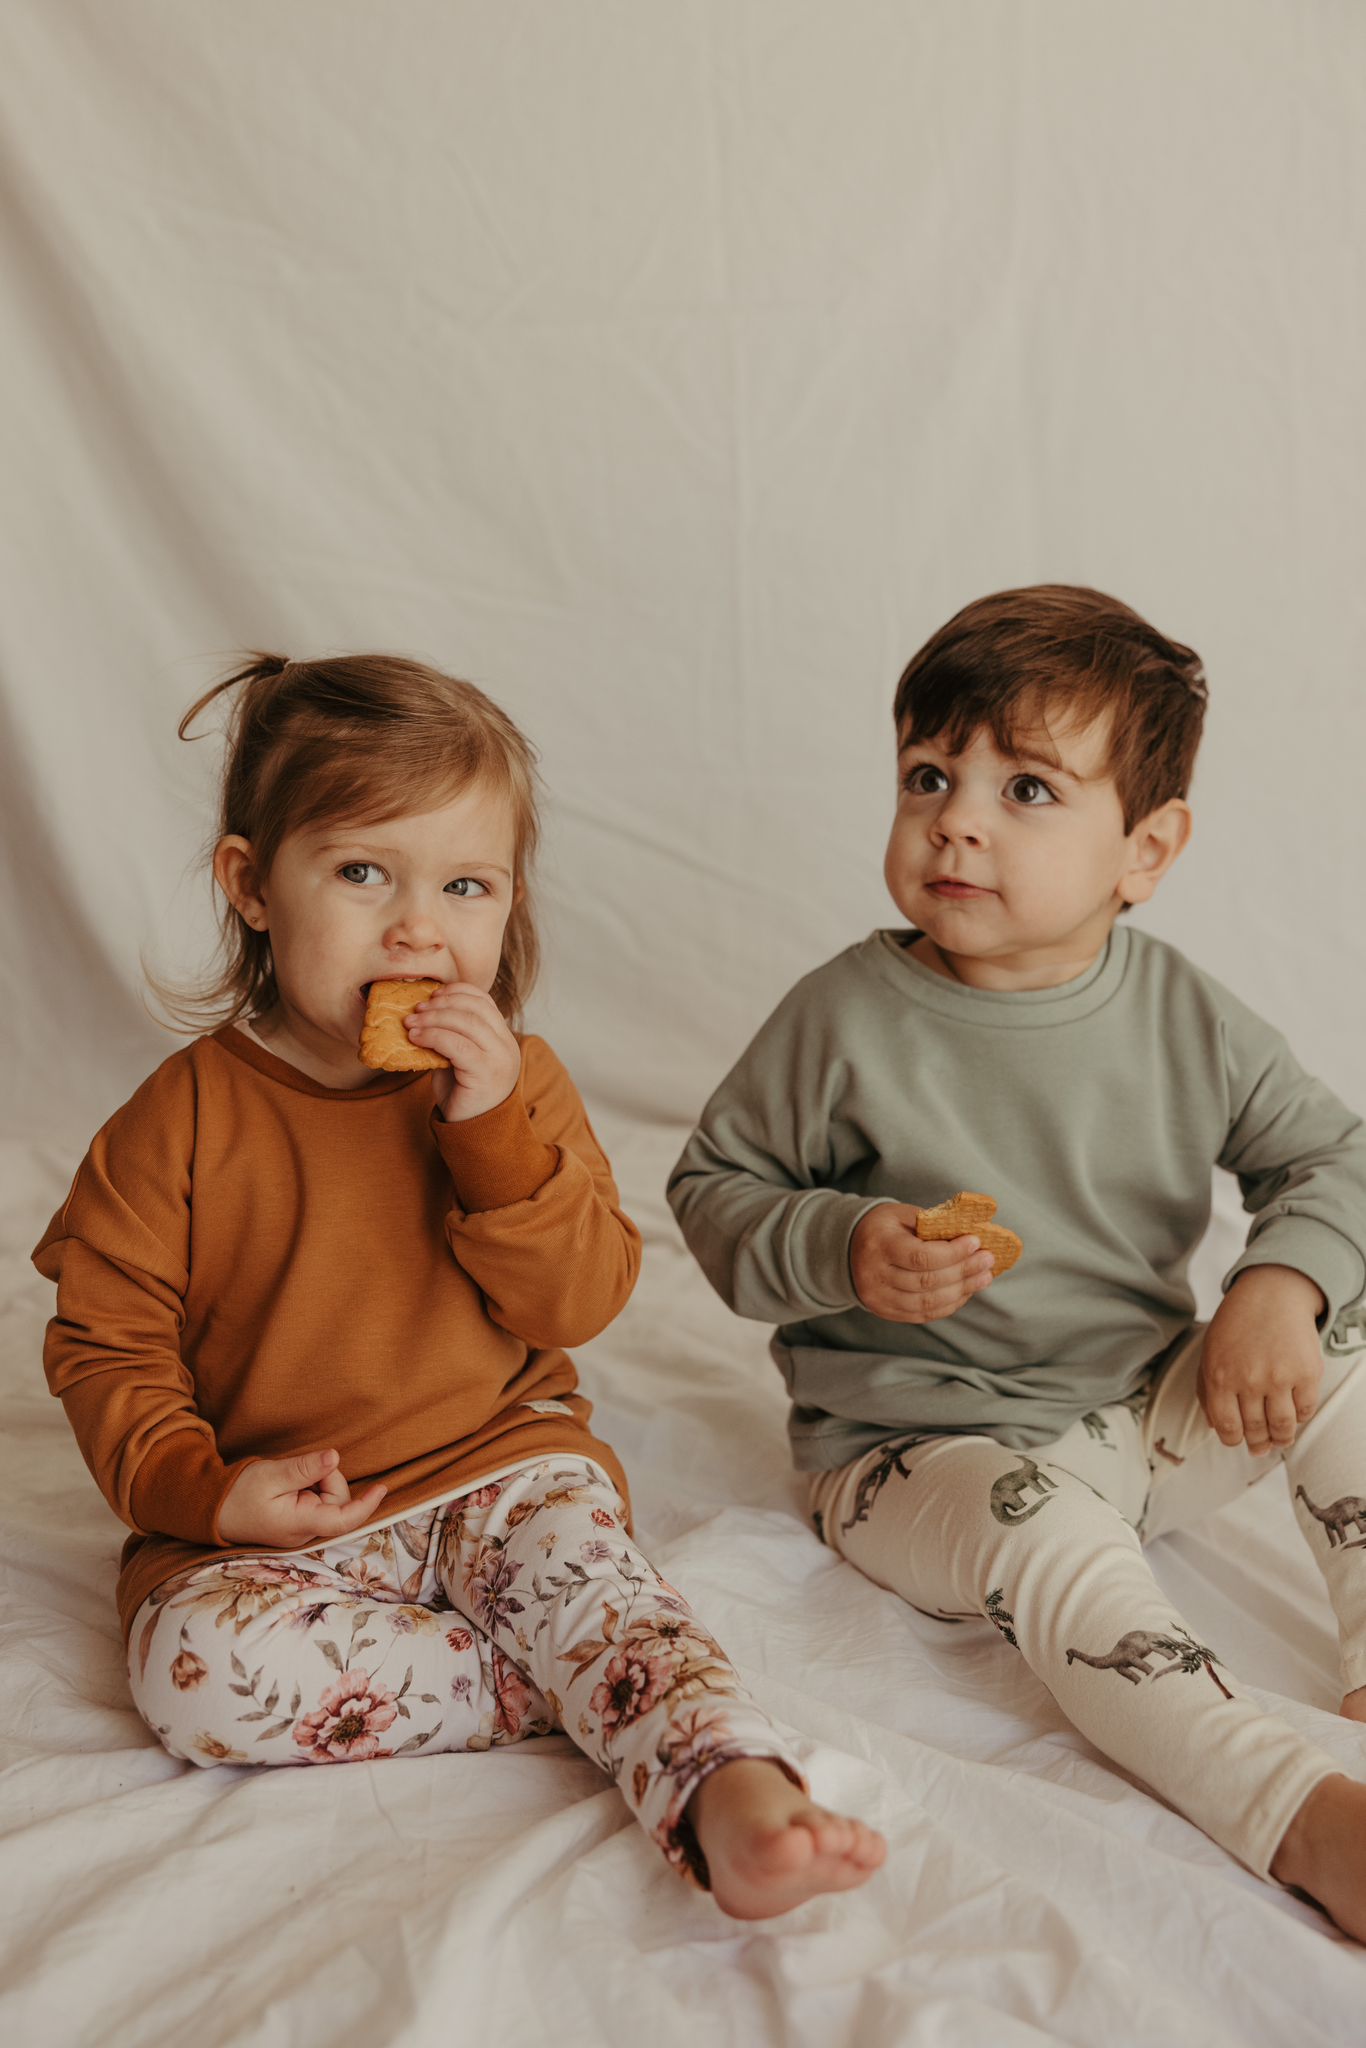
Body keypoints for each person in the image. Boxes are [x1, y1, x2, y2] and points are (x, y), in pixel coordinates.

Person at [32, 651, 885, 1921]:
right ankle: (589, 1681)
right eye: (362, 872)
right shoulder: (180, 1120)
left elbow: (578, 1300)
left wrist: (486, 1133)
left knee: (583, 1574)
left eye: (464, 885)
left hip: (500, 1467)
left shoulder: (516, 1088)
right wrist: (208, 1489)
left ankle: (728, 1791)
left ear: (508, 904)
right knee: (191, 1671)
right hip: (286, 1520)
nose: (418, 927)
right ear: (250, 884)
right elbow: (108, 1346)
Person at [667, 584, 1366, 1939]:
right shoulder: (844, 1015)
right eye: (928, 775)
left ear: (1144, 850)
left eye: (1027, 788)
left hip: (1136, 1420)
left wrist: (1277, 1286)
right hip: (915, 1456)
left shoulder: (1178, 1012)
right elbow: (712, 1193)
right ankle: (1296, 1811)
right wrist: (843, 1245)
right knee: (1045, 1538)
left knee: (1346, 1319)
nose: (957, 819)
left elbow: (1331, 1158)